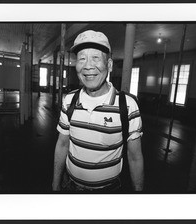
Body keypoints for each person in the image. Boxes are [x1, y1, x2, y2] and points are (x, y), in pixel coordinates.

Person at [52, 30, 144, 192]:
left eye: (95, 58)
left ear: (108, 65)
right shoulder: (69, 100)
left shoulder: (127, 105)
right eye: (82, 58)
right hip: (70, 188)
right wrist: (55, 185)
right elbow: (62, 144)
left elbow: (135, 157)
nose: (88, 66)